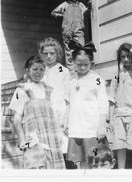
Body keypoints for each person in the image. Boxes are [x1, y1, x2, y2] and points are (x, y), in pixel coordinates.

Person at [8, 56, 65, 169]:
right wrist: (22, 139)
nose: (38, 72)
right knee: (37, 164)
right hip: (33, 136)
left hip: (51, 135)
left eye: (41, 69)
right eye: (35, 69)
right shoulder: (22, 89)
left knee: (54, 166)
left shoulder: (49, 90)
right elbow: (17, 117)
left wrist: (59, 133)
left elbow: (54, 115)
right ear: (28, 70)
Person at [64, 42, 109, 169]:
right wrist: (66, 120)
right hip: (76, 126)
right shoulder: (71, 80)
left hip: (91, 127)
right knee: (80, 159)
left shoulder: (97, 79)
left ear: (92, 64)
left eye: (86, 64)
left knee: (93, 158)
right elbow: (68, 103)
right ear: (73, 63)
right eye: (79, 64)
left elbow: (103, 103)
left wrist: (101, 125)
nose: (82, 67)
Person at [108, 43, 132, 169]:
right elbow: (112, 97)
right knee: (120, 146)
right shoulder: (117, 74)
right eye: (122, 57)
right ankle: (121, 171)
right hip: (120, 114)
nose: (125, 59)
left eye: (128, 56)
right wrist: (111, 119)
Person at [38, 37, 73, 168]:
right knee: (46, 149)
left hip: (60, 114)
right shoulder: (39, 70)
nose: (49, 56)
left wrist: (66, 118)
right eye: (45, 53)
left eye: (52, 53)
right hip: (44, 114)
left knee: (62, 148)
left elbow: (69, 99)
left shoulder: (64, 71)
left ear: (57, 53)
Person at [51, 0, 92, 71]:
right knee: (69, 51)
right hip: (68, 31)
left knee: (80, 49)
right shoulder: (65, 4)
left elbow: (85, 13)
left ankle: (80, 69)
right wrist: (63, 16)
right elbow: (53, 12)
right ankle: (71, 71)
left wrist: (89, 8)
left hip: (78, 30)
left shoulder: (80, 5)